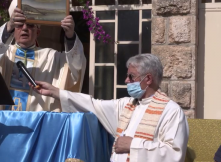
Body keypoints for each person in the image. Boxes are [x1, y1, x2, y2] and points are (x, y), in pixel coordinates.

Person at [29, 54, 189, 162]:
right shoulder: (127, 105)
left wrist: (132, 145)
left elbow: (174, 154)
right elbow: (92, 104)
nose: (126, 80)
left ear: (148, 79)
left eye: (131, 76)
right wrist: (55, 92)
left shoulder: (171, 111)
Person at [0, 0, 86, 111]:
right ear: (13, 29)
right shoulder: (3, 54)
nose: (24, 28)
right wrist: (9, 25)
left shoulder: (51, 57)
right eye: (19, 25)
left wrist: (70, 36)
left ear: (38, 32)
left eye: (30, 25)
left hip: (35, 123)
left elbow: (76, 65)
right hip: (3, 120)